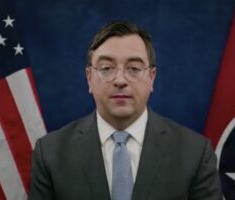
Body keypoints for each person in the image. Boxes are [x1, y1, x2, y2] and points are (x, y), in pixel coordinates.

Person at [29, 21, 222, 200]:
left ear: (152, 78)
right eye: (106, 68)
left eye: (134, 68)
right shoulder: (50, 154)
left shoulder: (195, 153)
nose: (120, 80)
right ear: (89, 78)